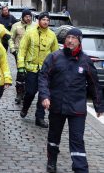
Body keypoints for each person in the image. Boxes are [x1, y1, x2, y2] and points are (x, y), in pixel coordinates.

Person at [38, 28, 104, 173]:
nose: (70, 40)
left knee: (77, 139)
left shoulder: (85, 61)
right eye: (68, 37)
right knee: (54, 136)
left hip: (77, 107)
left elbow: (94, 84)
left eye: (74, 38)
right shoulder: (54, 57)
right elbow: (43, 77)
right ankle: (52, 161)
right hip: (57, 105)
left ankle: (80, 168)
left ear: (79, 41)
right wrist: (45, 96)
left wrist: (99, 106)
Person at [17, 12, 59, 128]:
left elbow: (56, 53)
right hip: (31, 68)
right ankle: (25, 108)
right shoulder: (30, 33)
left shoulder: (52, 35)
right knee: (30, 92)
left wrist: (56, 68)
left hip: (46, 70)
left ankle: (39, 118)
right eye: (43, 19)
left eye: (47, 20)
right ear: (39, 20)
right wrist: (21, 66)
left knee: (43, 94)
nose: (45, 22)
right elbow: (22, 49)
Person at [10, 9, 36, 104]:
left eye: (29, 16)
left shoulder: (35, 26)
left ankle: (27, 92)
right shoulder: (16, 26)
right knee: (21, 73)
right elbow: (10, 39)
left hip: (31, 54)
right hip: (19, 53)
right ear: (23, 17)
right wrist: (13, 50)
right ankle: (19, 93)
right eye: (26, 16)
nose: (28, 18)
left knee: (29, 73)